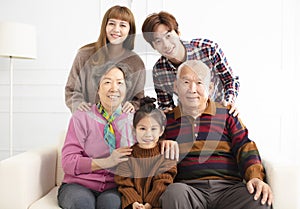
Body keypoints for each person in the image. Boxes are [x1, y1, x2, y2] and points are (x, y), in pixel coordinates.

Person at [160, 60, 273, 209]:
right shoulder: (165, 121)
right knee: (173, 193)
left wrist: (255, 177)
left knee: (258, 197)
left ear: (210, 88)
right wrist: (159, 144)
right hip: (188, 190)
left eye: (199, 83)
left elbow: (245, 147)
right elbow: (149, 150)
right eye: (186, 82)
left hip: (228, 190)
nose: (192, 89)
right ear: (175, 87)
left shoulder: (227, 115)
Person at [58, 62, 135, 209]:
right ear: (97, 88)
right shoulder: (82, 117)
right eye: (107, 82)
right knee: (83, 204)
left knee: (111, 205)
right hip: (78, 185)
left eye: (120, 83)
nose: (114, 88)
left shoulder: (134, 119)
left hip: (115, 186)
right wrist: (107, 162)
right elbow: (68, 162)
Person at [142, 11, 239, 115]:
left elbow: (230, 80)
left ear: (178, 33)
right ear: (153, 46)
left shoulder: (208, 49)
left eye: (168, 36)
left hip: (218, 114)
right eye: (158, 41)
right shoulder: (159, 70)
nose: (166, 45)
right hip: (188, 121)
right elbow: (166, 105)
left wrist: (229, 101)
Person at [65, 5, 146, 113]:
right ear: (105, 26)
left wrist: (132, 105)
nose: (116, 29)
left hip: (121, 125)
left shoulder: (136, 62)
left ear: (130, 30)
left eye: (122, 25)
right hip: (88, 121)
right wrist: (78, 104)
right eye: (112, 23)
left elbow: (139, 98)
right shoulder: (84, 55)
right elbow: (71, 90)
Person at [114, 97, 177, 209]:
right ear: (134, 131)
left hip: (157, 205)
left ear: (161, 131)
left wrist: (149, 204)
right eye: (142, 129)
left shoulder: (166, 156)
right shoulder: (127, 156)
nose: (148, 134)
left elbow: (163, 182)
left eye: (153, 129)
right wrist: (134, 202)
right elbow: (124, 184)